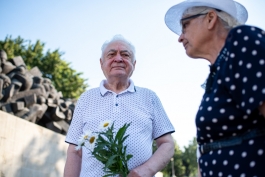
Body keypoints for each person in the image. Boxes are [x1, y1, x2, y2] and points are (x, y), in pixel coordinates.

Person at [164, 0, 265, 176]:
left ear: (211, 18)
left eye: (185, 25)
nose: (180, 37)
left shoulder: (242, 40)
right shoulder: (218, 70)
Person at [64, 35, 175, 177]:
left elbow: (167, 144)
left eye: (125, 54)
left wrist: (146, 170)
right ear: (101, 63)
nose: (118, 58)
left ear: (134, 64)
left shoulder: (149, 97)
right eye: (111, 54)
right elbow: (75, 151)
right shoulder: (86, 98)